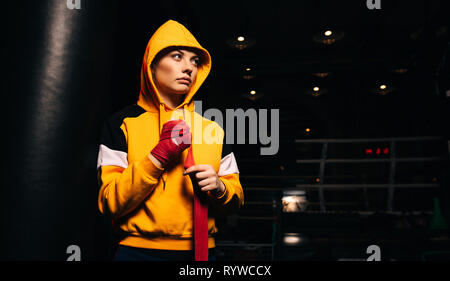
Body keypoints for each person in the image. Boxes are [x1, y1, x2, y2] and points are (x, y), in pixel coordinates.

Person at [96, 19, 244, 261]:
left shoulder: (213, 129)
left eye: (195, 61)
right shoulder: (121, 123)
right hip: (137, 253)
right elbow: (109, 202)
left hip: (201, 252)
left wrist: (220, 188)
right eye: (177, 56)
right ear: (152, 64)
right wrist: (157, 158)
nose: (188, 68)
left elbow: (236, 200)